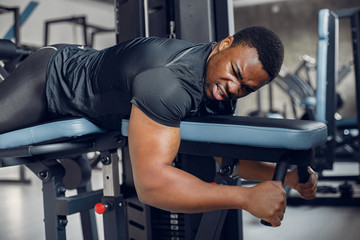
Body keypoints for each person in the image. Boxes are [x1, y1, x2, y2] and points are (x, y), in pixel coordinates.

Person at [0, 26, 317, 227]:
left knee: (76, 175)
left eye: (246, 88)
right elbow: (151, 186)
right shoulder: (168, 82)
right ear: (224, 44)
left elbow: (218, 153)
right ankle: (18, 60)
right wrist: (244, 198)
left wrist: (287, 176)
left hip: (94, 83)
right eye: (235, 73)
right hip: (50, 76)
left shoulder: (219, 88)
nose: (235, 89)